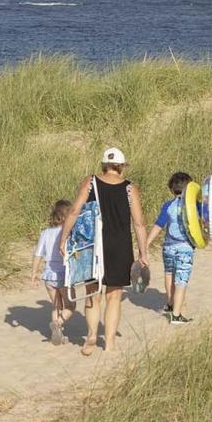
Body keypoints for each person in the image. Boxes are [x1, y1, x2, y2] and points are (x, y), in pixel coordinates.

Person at [60, 147, 146, 356]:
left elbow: (74, 211)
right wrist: (143, 252)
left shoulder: (90, 182)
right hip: (120, 245)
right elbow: (139, 223)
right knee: (114, 296)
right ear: (122, 167)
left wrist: (63, 239)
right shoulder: (130, 188)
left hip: (92, 244)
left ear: (103, 165)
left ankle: (91, 336)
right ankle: (109, 343)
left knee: (92, 293)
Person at [145, 171, 198, 325]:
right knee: (181, 280)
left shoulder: (168, 205)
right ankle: (176, 315)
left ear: (171, 189)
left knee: (169, 274)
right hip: (185, 248)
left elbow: (158, 225)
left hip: (168, 247)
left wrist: (146, 243)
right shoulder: (193, 207)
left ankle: (169, 303)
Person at [32, 199, 73, 344]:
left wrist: (34, 273)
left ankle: (57, 335)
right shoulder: (68, 233)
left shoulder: (45, 233)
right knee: (70, 306)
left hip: (48, 275)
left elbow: (38, 254)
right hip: (64, 275)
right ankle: (58, 324)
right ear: (66, 217)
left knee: (56, 306)